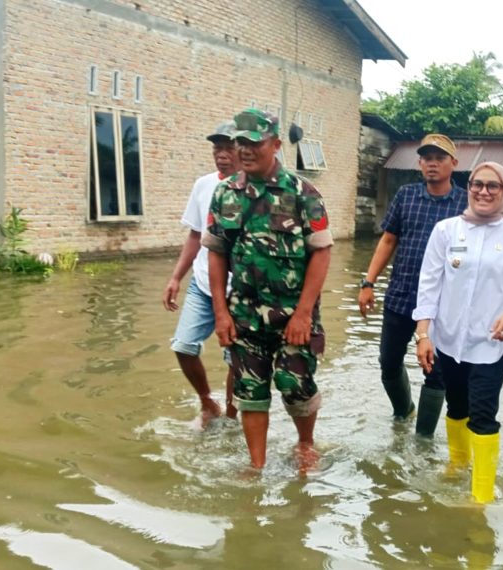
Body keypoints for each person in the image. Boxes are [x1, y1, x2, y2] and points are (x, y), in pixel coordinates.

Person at [202, 108, 333, 471]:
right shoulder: (225, 193)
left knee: (295, 384)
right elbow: (216, 253)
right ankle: (256, 466)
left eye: (253, 142)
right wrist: (220, 313)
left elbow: (322, 251)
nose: (244, 149)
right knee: (250, 391)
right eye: (239, 142)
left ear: (275, 144)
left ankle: (305, 444)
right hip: (243, 313)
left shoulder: (302, 192)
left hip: (293, 312)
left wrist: (305, 313)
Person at [413, 162, 503, 504]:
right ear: (467, 187)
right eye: (477, 184)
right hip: (448, 339)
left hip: (492, 342)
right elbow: (429, 285)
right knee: (456, 406)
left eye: (493, 186)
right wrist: (423, 333)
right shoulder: (446, 231)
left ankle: (481, 497)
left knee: (483, 412)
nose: (483, 191)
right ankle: (458, 463)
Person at [358, 134, 468, 437]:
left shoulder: (465, 203)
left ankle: (423, 439)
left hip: (443, 304)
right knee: (388, 362)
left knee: (436, 373)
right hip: (402, 294)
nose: (432, 163)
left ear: (453, 164)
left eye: (440, 158)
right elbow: (389, 240)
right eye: (427, 158)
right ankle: (403, 411)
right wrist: (368, 282)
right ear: (419, 163)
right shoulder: (406, 196)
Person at [162, 121, 240, 428]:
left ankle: (233, 414)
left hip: (239, 288)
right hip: (203, 282)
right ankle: (208, 402)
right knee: (183, 345)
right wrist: (175, 278)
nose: (221, 154)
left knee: (236, 358)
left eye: (228, 148)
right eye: (216, 148)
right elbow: (196, 235)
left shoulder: (252, 188)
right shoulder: (203, 185)